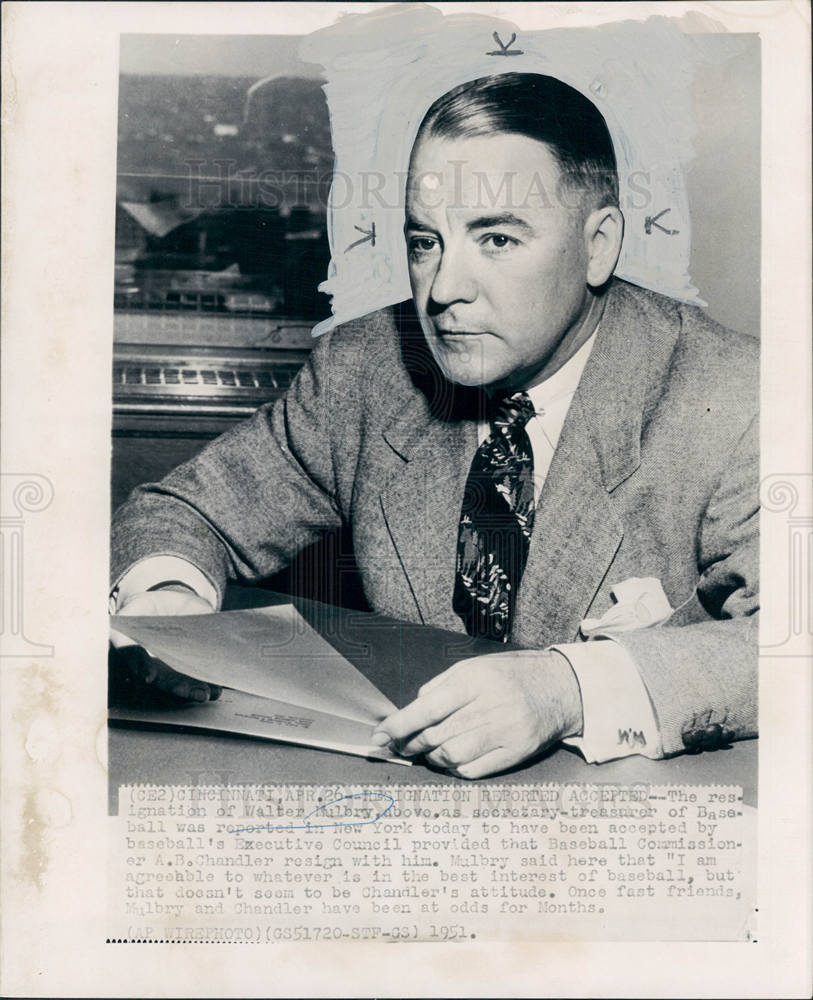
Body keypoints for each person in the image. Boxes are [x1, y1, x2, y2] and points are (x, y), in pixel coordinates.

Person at [110, 72, 758, 779]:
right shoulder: (367, 368)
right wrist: (167, 608)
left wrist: (570, 688)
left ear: (597, 244)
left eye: (498, 240)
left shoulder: (736, 396)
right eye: (425, 242)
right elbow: (182, 512)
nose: (443, 288)